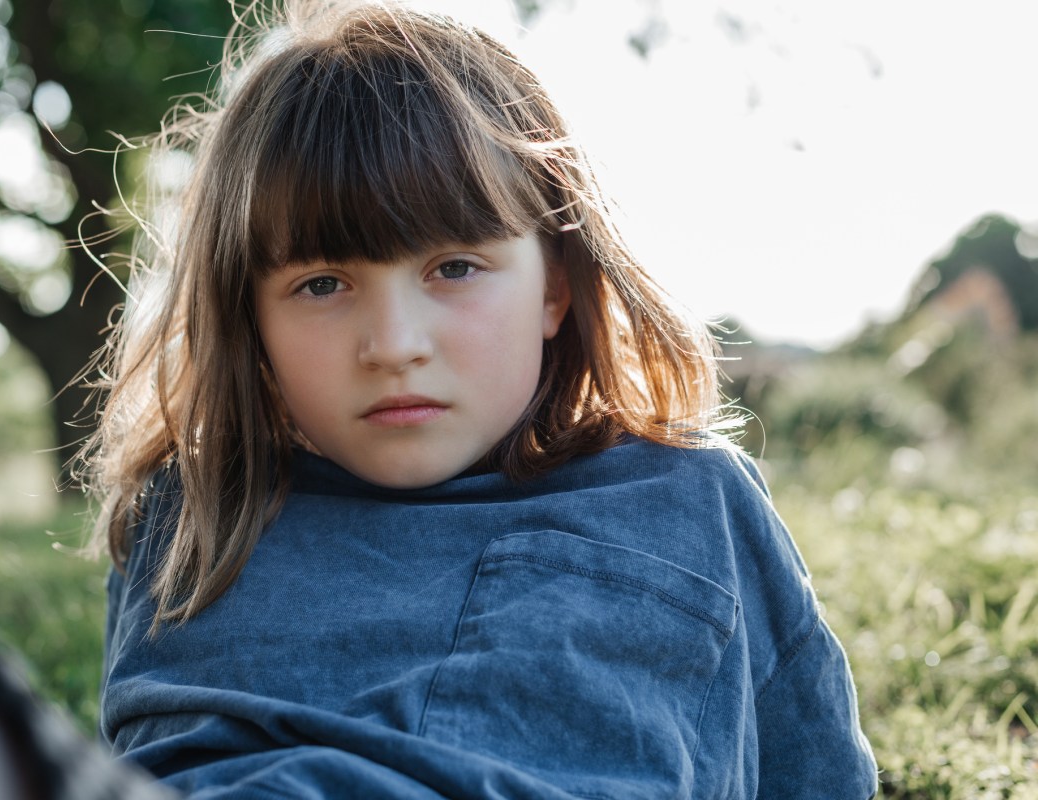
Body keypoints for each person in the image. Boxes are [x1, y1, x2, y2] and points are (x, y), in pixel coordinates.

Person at [80, 0, 879, 797]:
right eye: (322, 284)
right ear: (249, 319)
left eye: (454, 268)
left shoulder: (684, 499)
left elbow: (813, 773)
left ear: (556, 285)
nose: (393, 344)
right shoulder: (196, 516)